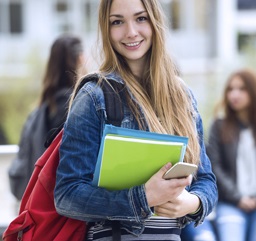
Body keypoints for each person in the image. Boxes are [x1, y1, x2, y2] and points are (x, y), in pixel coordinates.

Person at [54, 0, 218, 240]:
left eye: (140, 18)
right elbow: (67, 196)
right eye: (117, 22)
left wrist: (192, 203)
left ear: (155, 21)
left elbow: (207, 180)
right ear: (106, 29)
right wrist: (143, 197)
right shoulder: (94, 96)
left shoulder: (182, 96)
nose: (131, 32)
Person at [207, 69, 256, 241]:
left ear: (253, 92)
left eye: (242, 89)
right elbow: (215, 166)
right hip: (231, 204)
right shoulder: (219, 126)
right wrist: (238, 198)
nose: (234, 94)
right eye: (230, 89)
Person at [8, 34, 85, 200]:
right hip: (56, 204)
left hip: (35, 198)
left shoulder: (42, 107)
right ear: (80, 59)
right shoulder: (74, 105)